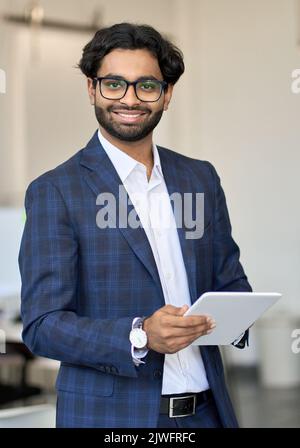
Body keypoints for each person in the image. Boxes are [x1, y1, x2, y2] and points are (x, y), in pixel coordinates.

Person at [19, 22, 251, 428]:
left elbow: (230, 282)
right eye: (114, 84)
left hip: (207, 413)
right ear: (91, 89)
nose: (130, 99)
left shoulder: (200, 179)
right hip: (112, 418)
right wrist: (140, 334)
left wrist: (233, 318)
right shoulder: (56, 191)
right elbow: (42, 325)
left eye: (146, 85)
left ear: (167, 95)